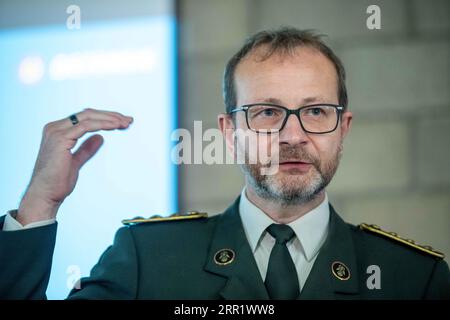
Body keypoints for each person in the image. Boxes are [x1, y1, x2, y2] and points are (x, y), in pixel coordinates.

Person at [0, 27, 448, 300]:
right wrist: (39, 203)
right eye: (268, 112)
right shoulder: (148, 259)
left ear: (343, 128)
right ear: (230, 131)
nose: (293, 135)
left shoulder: (414, 278)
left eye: (315, 112)